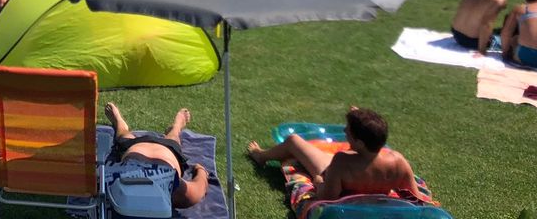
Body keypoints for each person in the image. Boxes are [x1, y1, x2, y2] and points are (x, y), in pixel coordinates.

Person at [248, 107, 430, 203]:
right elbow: (415, 197)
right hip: (369, 170)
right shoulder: (398, 162)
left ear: (359, 142)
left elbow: (327, 197)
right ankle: (358, 117)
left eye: (348, 131)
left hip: (346, 176)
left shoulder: (342, 161)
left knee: (294, 141)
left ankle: (260, 156)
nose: (344, 131)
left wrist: (318, 181)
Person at [104, 102, 209, 211]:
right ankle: (177, 126)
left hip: (134, 147)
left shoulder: (115, 183)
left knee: (124, 135)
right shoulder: (174, 188)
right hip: (167, 149)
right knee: (173, 138)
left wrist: (200, 170)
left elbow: (198, 190)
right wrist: (201, 170)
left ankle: (119, 122)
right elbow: (199, 189)